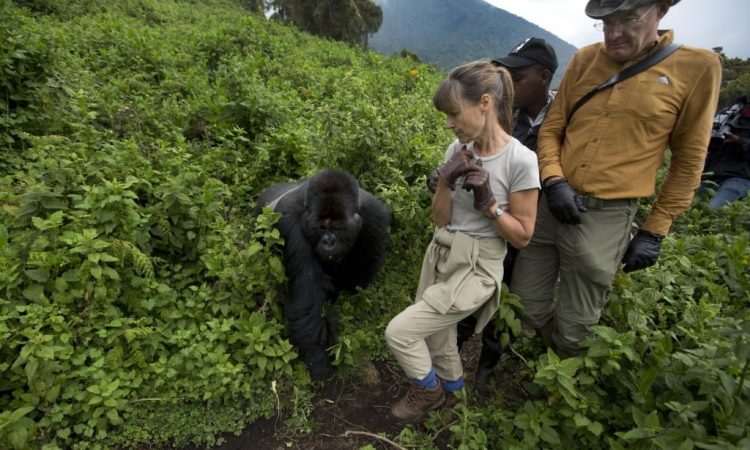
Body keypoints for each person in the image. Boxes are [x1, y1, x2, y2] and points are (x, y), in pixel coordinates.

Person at [510, 0, 722, 357]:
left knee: (577, 320)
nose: (613, 33)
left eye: (627, 19)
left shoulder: (698, 67)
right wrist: (554, 179)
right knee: (525, 302)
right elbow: (552, 129)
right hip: (551, 201)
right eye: (606, 23)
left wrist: (655, 229)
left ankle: (562, 379)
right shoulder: (586, 59)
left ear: (660, 12)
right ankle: (550, 354)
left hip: (606, 214)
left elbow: (689, 161)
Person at [386, 61, 540, 422]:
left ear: (484, 103)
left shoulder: (521, 160)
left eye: (454, 114)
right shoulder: (458, 147)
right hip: (441, 252)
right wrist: (444, 181)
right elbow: (440, 218)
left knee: (400, 333)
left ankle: (428, 391)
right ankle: (455, 402)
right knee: (439, 339)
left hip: (478, 265)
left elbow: (523, 236)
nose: (449, 124)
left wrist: (489, 203)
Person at [454, 37, 558, 390]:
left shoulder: (564, 119)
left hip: (529, 225)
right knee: (472, 288)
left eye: (518, 75)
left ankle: (486, 366)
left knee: (510, 297)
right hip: (491, 221)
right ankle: (451, 352)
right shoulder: (504, 114)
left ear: (543, 77)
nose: (507, 82)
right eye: (506, 73)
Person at [697, 89, 750, 209]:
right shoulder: (730, 111)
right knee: (689, 208)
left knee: (712, 209)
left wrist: (740, 142)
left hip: (740, 176)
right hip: (712, 173)